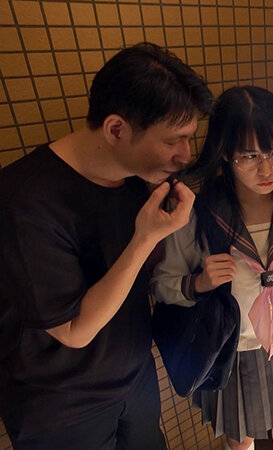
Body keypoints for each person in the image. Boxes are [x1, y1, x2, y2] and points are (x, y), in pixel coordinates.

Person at [0, 42, 211, 450]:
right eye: (174, 140)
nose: (185, 155)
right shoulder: (24, 201)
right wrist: (146, 237)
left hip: (135, 377)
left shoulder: (136, 179)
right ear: (116, 129)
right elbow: (74, 330)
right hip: (62, 404)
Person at [152, 86, 273, 450]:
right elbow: (162, 284)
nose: (266, 168)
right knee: (240, 434)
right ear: (224, 153)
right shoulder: (196, 215)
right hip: (231, 349)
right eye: (250, 155)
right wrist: (198, 283)